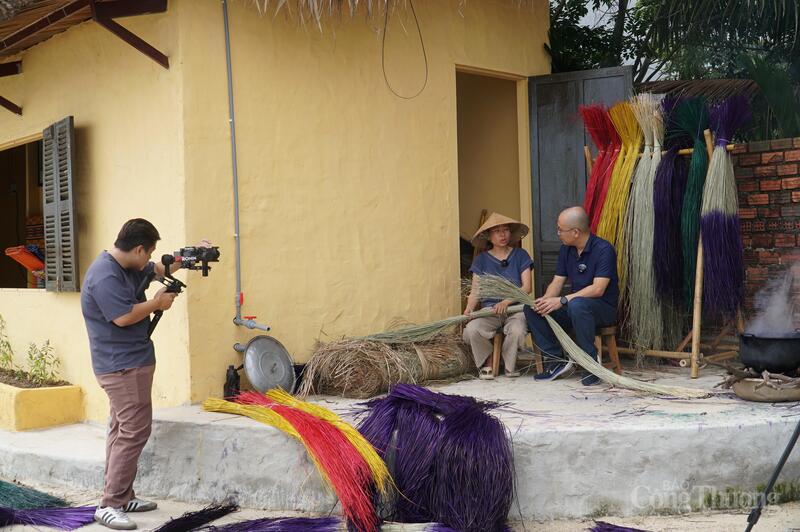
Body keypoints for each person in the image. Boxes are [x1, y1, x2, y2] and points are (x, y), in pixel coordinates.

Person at [80, 218, 211, 530]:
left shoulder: (128, 264)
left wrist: (191, 257)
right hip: (121, 366)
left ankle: (122, 496)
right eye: (149, 251)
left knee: (120, 428)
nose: (152, 257)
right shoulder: (104, 277)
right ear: (137, 248)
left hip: (130, 361)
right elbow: (123, 317)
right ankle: (110, 504)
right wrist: (157, 302)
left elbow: (160, 270)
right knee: (134, 431)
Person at [524, 206, 618, 386]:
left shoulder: (604, 250)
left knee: (577, 305)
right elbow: (557, 282)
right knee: (531, 308)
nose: (558, 233)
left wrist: (563, 300)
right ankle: (556, 361)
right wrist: (545, 301)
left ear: (576, 232)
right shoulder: (566, 250)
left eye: (560, 229)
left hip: (602, 308)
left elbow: (598, 289)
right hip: (576, 307)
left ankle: (590, 363)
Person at [463, 212, 533, 379]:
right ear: (488, 235)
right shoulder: (481, 260)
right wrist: (469, 309)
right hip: (490, 310)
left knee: (517, 329)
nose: (503, 234)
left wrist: (506, 302)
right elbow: (476, 291)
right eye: (497, 231)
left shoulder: (520, 255)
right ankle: (487, 361)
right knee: (471, 330)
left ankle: (509, 364)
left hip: (516, 307)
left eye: (506, 229)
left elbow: (527, 287)